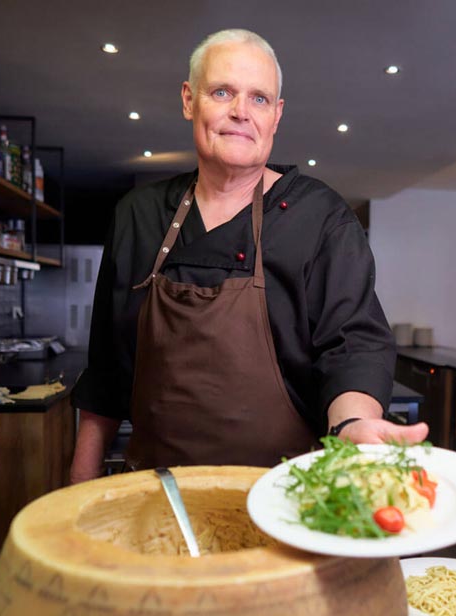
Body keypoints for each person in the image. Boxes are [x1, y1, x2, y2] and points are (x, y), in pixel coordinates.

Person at [69, 29, 427, 483]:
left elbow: (353, 344)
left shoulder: (319, 217)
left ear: (276, 116)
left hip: (286, 498)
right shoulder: (137, 216)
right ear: (189, 99)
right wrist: (79, 482)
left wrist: (352, 424)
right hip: (157, 493)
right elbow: (106, 368)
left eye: (259, 99)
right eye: (223, 92)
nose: (241, 112)